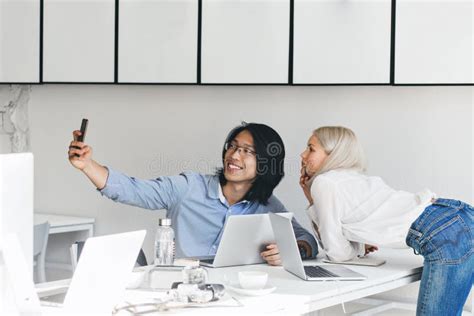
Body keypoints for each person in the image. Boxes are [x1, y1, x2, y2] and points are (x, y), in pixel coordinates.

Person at [68, 122, 317, 265]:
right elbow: (133, 190)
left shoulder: (267, 206)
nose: (234, 155)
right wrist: (88, 165)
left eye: (247, 151)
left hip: (232, 297)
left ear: (265, 163)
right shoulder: (188, 187)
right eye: (232, 147)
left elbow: (306, 240)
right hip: (178, 292)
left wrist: (294, 248)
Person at [299, 126, 473, 316]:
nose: (303, 154)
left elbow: (337, 253)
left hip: (440, 230)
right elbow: (348, 240)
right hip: (458, 214)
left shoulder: (324, 183)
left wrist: (312, 200)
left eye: (311, 148)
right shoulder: (354, 180)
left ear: (333, 154)